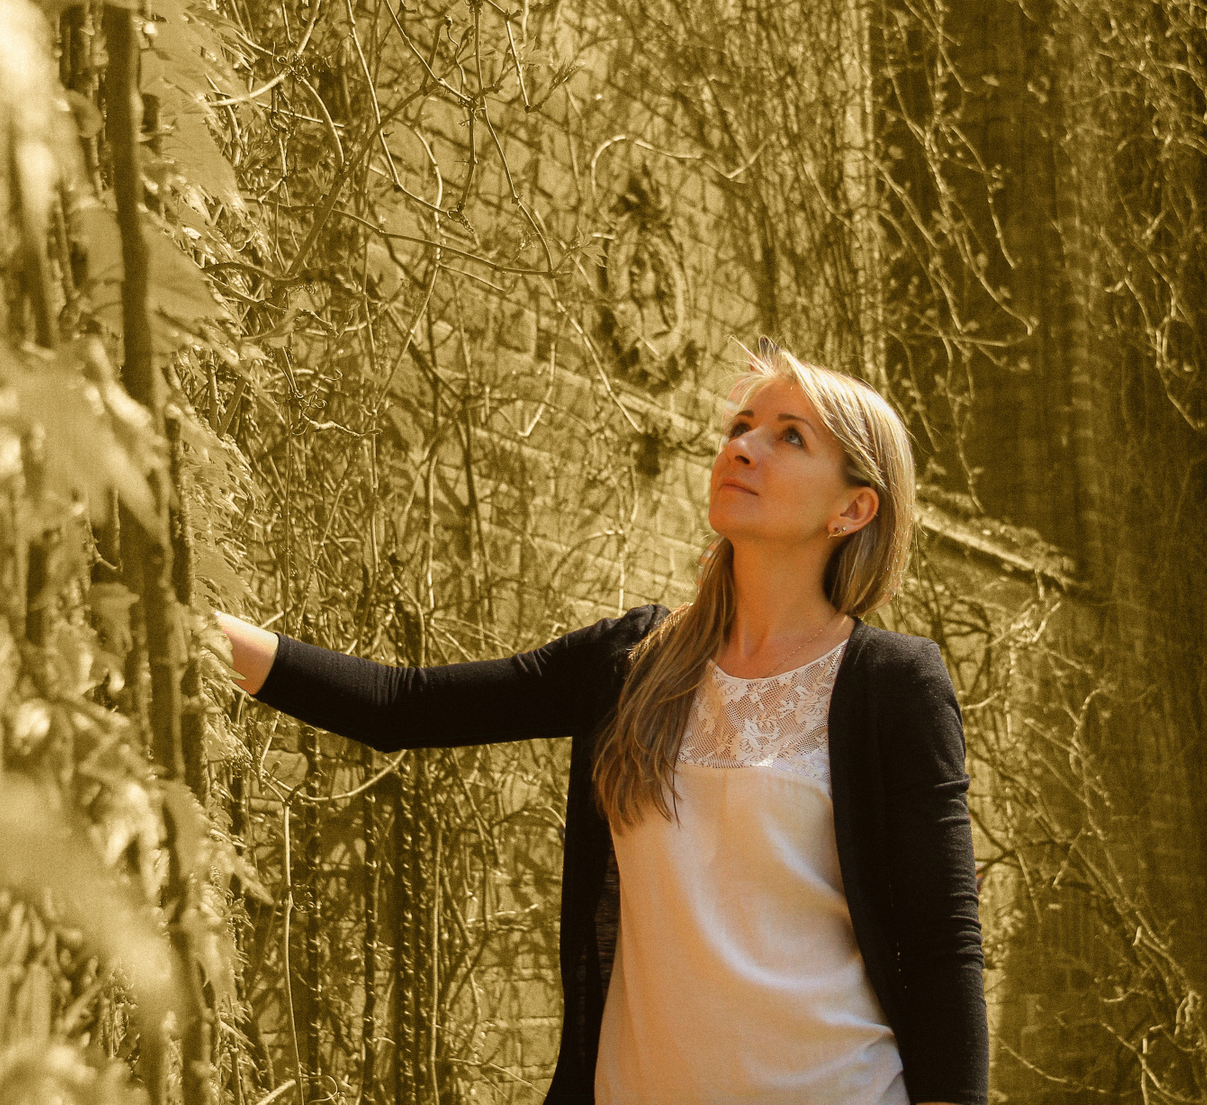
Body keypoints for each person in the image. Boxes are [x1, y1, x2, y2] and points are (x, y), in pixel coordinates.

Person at [217, 336, 987, 1105]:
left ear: (852, 508)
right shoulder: (632, 663)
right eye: (740, 426)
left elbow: (942, 947)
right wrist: (191, 626)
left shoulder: (893, 685)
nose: (743, 447)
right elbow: (402, 705)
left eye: (790, 436)